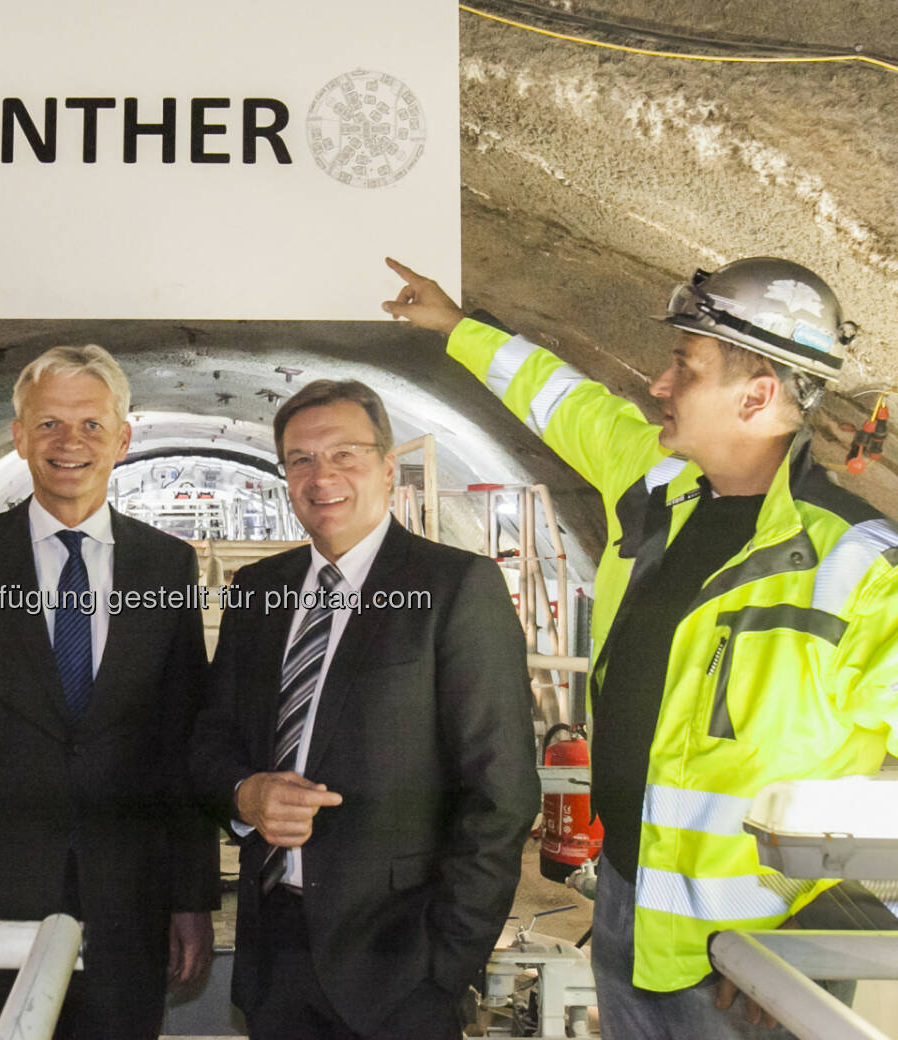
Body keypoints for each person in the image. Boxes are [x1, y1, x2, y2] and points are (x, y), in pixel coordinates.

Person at [384, 255, 898, 1038]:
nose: (658, 385)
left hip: (751, 958)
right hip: (627, 901)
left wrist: (820, 938)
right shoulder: (658, 485)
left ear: (758, 395)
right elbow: (565, 403)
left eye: (685, 369)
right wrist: (460, 328)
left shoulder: (860, 567)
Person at [188, 378, 539, 1040]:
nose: (322, 477)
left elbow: (503, 793)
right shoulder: (259, 592)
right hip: (275, 957)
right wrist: (244, 793)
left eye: (344, 454)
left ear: (385, 467)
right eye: (300, 459)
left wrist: (445, 964)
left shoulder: (456, 588)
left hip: (400, 968)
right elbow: (211, 740)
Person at [0, 344, 218, 1040]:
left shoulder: (167, 566)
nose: (71, 442)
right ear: (18, 437)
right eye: (48, 424)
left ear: (123, 440)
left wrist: (192, 899)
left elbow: (182, 747)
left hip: (129, 911)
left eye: (92, 424)